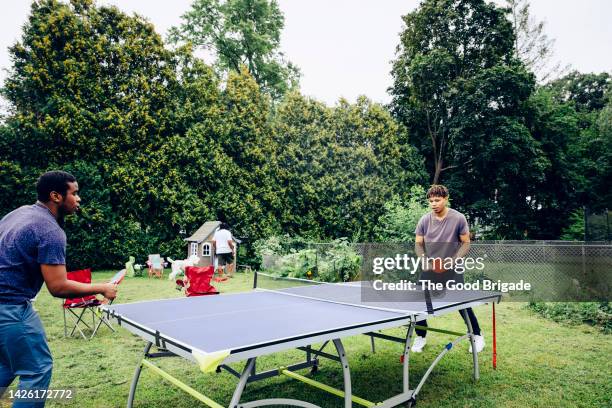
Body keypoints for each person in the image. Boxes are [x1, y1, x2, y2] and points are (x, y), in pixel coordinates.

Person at [0, 171, 118, 407]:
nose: (79, 199)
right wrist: (102, 288)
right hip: (11, 308)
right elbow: (58, 286)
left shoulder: (18, 214)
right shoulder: (50, 230)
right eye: (74, 193)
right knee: (37, 371)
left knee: (7, 364)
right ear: (55, 196)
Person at [412, 184, 484, 353]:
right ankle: (421, 336)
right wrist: (424, 260)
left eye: (437, 200)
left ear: (445, 199)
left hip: (452, 267)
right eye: (430, 201)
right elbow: (418, 244)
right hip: (430, 269)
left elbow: (466, 243)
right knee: (419, 301)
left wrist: (453, 261)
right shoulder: (424, 220)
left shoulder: (458, 218)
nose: (433, 204)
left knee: (460, 302)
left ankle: (477, 335)